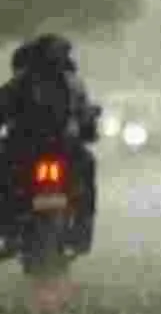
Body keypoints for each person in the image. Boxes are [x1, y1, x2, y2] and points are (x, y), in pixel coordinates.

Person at [0, 34, 100, 252]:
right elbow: (86, 117)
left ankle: (9, 230)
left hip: (28, 150)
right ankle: (81, 231)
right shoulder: (70, 82)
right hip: (61, 149)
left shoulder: (19, 83)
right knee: (87, 169)